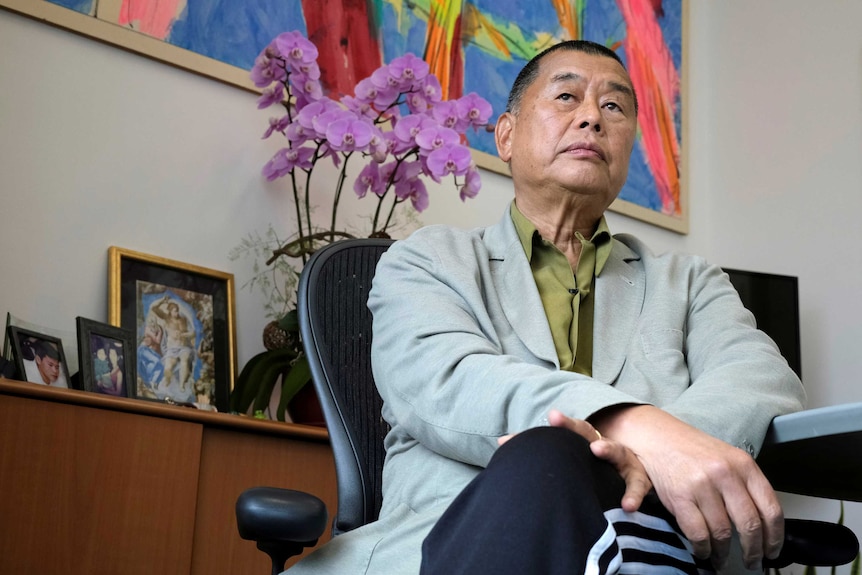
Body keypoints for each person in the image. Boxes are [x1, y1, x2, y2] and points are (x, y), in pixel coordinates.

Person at [287, 40, 805, 575]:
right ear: (506, 136)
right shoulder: (426, 261)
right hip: (454, 545)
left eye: (614, 107)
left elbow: (763, 379)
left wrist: (660, 454)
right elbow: (447, 379)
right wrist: (631, 423)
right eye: (566, 97)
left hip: (650, 541)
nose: (592, 119)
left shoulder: (689, 282)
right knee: (546, 458)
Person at [151, 295, 196, 393]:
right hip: (172, 348)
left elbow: (193, 332)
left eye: (177, 310)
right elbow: (153, 308)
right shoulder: (166, 318)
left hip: (184, 347)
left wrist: (184, 334)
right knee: (168, 367)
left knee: (185, 359)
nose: (177, 313)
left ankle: (181, 385)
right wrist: (162, 300)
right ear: (170, 311)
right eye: (175, 311)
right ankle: (167, 379)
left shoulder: (183, 320)